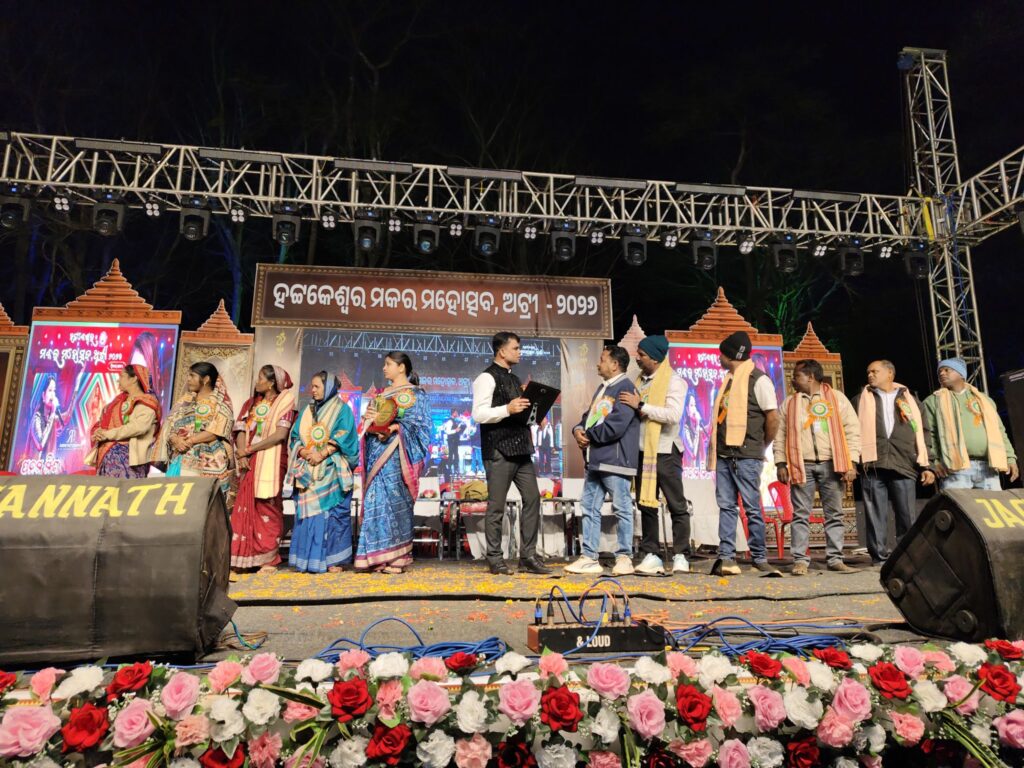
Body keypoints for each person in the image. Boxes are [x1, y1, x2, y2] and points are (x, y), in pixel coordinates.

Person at [472, 331, 552, 575]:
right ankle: (495, 558)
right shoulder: (486, 377)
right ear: (501, 351)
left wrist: (536, 415)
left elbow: (519, 413)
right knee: (497, 506)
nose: (519, 352)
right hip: (499, 449)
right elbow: (479, 414)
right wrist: (507, 408)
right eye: (515, 348)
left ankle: (527, 556)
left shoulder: (515, 378)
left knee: (533, 499)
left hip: (522, 449)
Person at [774, 359, 861, 575]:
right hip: (801, 464)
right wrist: (781, 462)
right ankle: (800, 561)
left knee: (834, 514)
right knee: (800, 514)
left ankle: (835, 558)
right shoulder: (790, 403)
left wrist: (852, 462)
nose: (793, 380)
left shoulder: (836, 398)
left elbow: (852, 430)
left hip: (832, 463)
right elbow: (780, 434)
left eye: (797, 376)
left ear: (811, 377)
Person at [619, 334, 692, 575]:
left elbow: (673, 414)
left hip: (665, 450)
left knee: (676, 504)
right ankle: (652, 554)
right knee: (646, 504)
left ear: (655, 358)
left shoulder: (674, 381)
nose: (637, 358)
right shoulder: (638, 381)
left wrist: (641, 406)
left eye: (642, 355)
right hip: (641, 451)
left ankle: (681, 555)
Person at [709, 331, 780, 576]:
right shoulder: (728, 380)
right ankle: (727, 557)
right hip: (724, 453)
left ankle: (759, 557)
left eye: (721, 354)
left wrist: (761, 445)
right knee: (726, 506)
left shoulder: (759, 380)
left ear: (730, 355)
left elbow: (773, 417)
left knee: (751, 507)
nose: (719, 358)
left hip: (747, 455)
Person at [565, 346, 640, 575]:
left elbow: (616, 425)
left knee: (622, 508)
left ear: (615, 364)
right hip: (596, 459)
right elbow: (589, 417)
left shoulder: (626, 388)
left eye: (602, 359)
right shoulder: (604, 387)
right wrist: (578, 429)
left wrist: (589, 435)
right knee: (589, 507)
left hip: (615, 461)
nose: (598, 363)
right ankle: (589, 556)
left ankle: (624, 557)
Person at [355, 352, 432, 574]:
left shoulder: (416, 395)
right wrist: (369, 420)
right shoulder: (381, 395)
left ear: (401, 367)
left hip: (398, 455)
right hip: (376, 454)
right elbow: (366, 424)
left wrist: (396, 428)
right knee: (375, 502)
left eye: (388, 364)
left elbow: (422, 427)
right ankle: (376, 557)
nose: (384, 368)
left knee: (396, 502)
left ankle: (397, 558)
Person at [852, 360, 935, 566]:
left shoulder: (911, 399)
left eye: (875, 371)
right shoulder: (860, 400)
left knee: (907, 516)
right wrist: (852, 462)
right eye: (868, 372)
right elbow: (851, 432)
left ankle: (906, 558)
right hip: (873, 463)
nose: (870, 375)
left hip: (904, 462)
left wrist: (928, 466)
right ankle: (879, 558)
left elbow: (923, 432)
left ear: (890, 373)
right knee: (875, 515)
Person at [287, 371, 360, 573]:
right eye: (312, 386)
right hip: (307, 470)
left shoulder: (342, 410)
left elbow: (345, 436)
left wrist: (321, 454)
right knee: (308, 517)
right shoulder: (307, 410)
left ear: (328, 388)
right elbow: (295, 436)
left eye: (317, 386)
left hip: (331, 471)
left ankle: (333, 560)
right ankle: (307, 560)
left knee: (334, 515)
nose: (313, 390)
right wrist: (303, 452)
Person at [231, 365, 297, 573]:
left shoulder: (284, 403)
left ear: (271, 383)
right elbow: (240, 428)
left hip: (271, 458)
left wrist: (251, 449)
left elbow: (280, 435)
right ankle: (244, 558)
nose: (257, 382)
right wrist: (243, 453)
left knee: (267, 505)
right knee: (245, 505)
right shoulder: (251, 404)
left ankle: (268, 558)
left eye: (261, 378)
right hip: (248, 459)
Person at [922, 357, 1018, 490]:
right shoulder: (933, 401)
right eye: (939, 372)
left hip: (989, 467)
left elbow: (1000, 431)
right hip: (955, 469)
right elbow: (929, 435)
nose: (942, 373)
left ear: (961, 374)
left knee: (989, 504)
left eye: (947, 370)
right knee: (957, 504)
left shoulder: (984, 400)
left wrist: (1010, 458)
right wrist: (935, 462)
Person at [161, 362, 236, 506]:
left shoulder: (220, 404)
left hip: (208, 460)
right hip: (181, 457)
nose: (188, 379)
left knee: (200, 505)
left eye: (192, 376)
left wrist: (189, 441)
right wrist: (175, 439)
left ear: (206, 379)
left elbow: (216, 431)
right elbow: (171, 426)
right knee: (176, 503)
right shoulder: (184, 403)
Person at [87, 364, 161, 478]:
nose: (118, 380)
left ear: (134, 378)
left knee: (126, 489)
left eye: (122, 376)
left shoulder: (147, 403)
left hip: (130, 460)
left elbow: (137, 427)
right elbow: (103, 423)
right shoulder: (117, 402)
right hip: (107, 456)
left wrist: (107, 434)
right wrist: (98, 432)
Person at [681, 387, 709, 468]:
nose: (694, 409)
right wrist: (697, 425)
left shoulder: (697, 427)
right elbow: (693, 451)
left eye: (695, 405)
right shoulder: (684, 429)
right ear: (686, 409)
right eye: (691, 405)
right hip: (687, 468)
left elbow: (706, 432)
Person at [441, 409, 465, 480]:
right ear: (453, 413)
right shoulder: (450, 421)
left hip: (455, 440)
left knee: (456, 454)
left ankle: (456, 469)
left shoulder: (455, 421)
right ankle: (450, 469)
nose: (457, 414)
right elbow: (447, 431)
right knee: (451, 454)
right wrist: (455, 430)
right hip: (451, 440)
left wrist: (459, 430)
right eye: (456, 412)